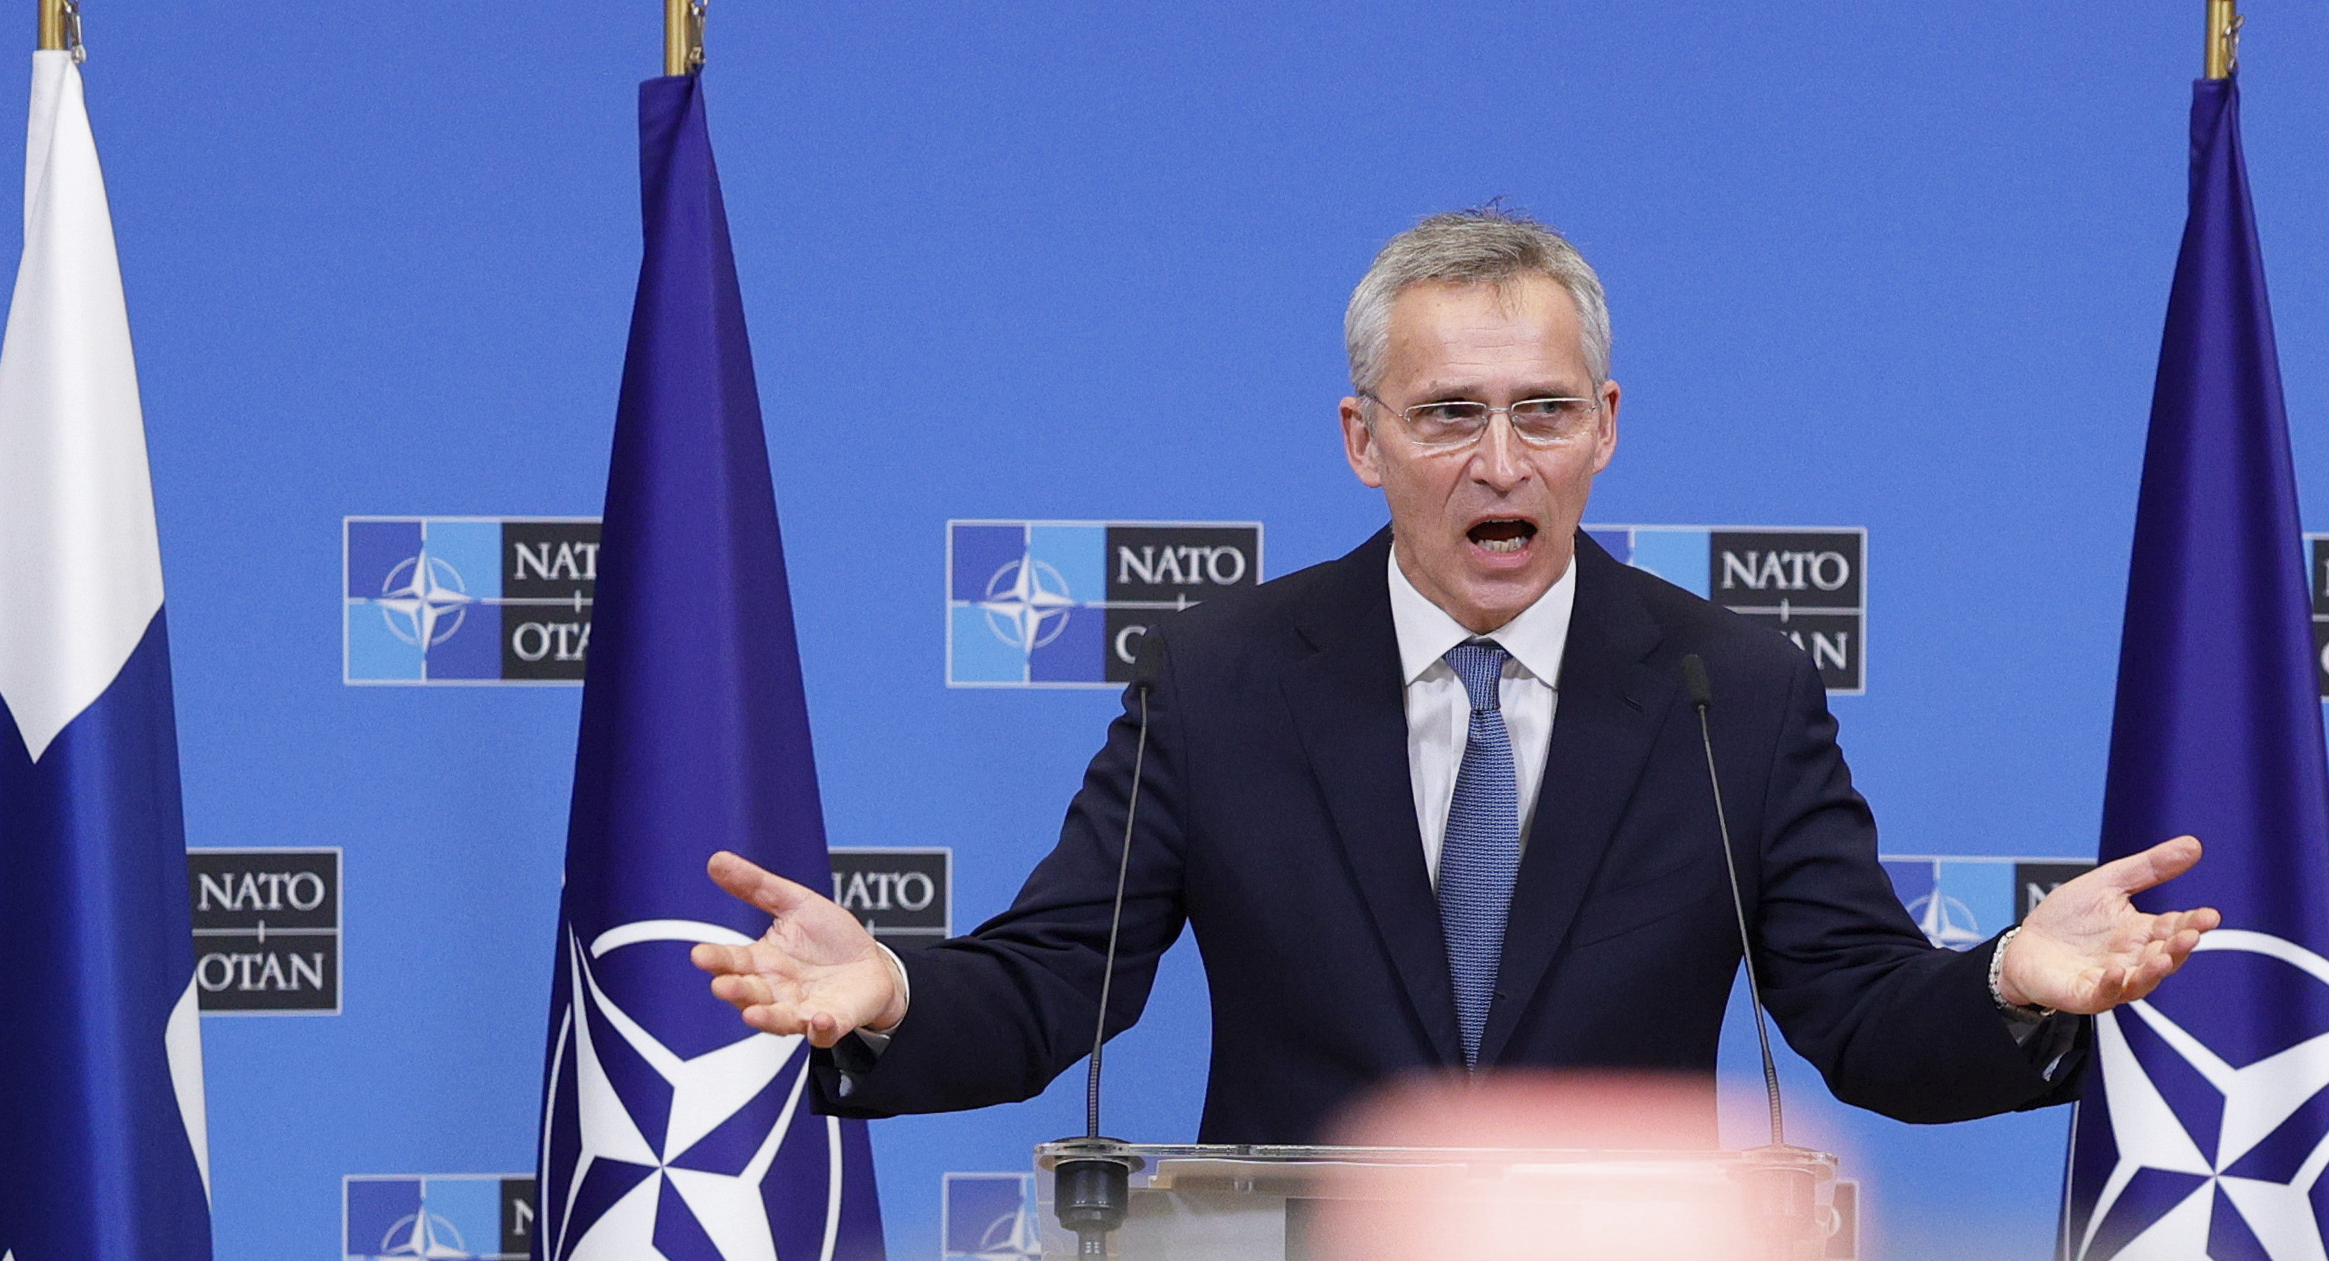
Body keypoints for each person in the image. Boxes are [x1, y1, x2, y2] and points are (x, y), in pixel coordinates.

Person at [692, 209, 2221, 1131]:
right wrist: (892, 990)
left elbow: (1864, 1015)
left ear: (1607, 426)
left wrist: (2014, 990)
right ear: (1365, 442)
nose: (1504, 461)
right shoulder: (1221, 679)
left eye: (1545, 412)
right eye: (1450, 416)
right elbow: (1050, 987)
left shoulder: (1730, 690)